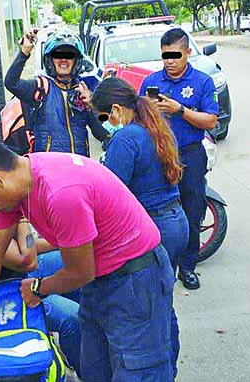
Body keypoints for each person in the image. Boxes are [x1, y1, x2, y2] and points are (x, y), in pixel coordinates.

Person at [0, 138, 175, 382]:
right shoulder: (16, 193)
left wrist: (38, 288)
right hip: (99, 280)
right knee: (96, 370)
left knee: (139, 372)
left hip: (135, 280)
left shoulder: (61, 192)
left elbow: (79, 273)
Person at [90, 77, 188, 376]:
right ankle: (168, 368)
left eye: (104, 117)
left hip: (152, 227)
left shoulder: (125, 138)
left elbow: (110, 192)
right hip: (175, 221)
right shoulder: (153, 125)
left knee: (151, 311)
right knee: (164, 303)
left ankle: (161, 371)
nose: (104, 123)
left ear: (116, 109)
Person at [139, 28, 219, 290]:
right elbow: (136, 119)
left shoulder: (202, 82)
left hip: (190, 154)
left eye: (175, 55)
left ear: (187, 52)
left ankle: (187, 267)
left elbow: (210, 119)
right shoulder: (151, 81)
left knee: (192, 211)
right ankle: (161, 267)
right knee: (155, 211)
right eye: (165, 56)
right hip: (158, 155)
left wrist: (180, 110)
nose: (170, 61)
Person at [0, 204, 81, 377]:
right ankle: (81, 369)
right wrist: (22, 219)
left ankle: (88, 334)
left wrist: (64, 242)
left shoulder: (0, 209)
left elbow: (28, 244)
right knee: (72, 318)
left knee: (75, 261)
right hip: (0, 293)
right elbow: (27, 259)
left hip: (20, 275)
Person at [4, 29, 108, 156]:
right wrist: (25, 51)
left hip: (78, 167)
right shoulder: (41, 87)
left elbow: (102, 134)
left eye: (69, 55)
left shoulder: (82, 91)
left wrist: (92, 106)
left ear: (76, 60)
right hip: (50, 168)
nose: (64, 59)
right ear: (50, 60)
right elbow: (11, 82)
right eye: (58, 55)